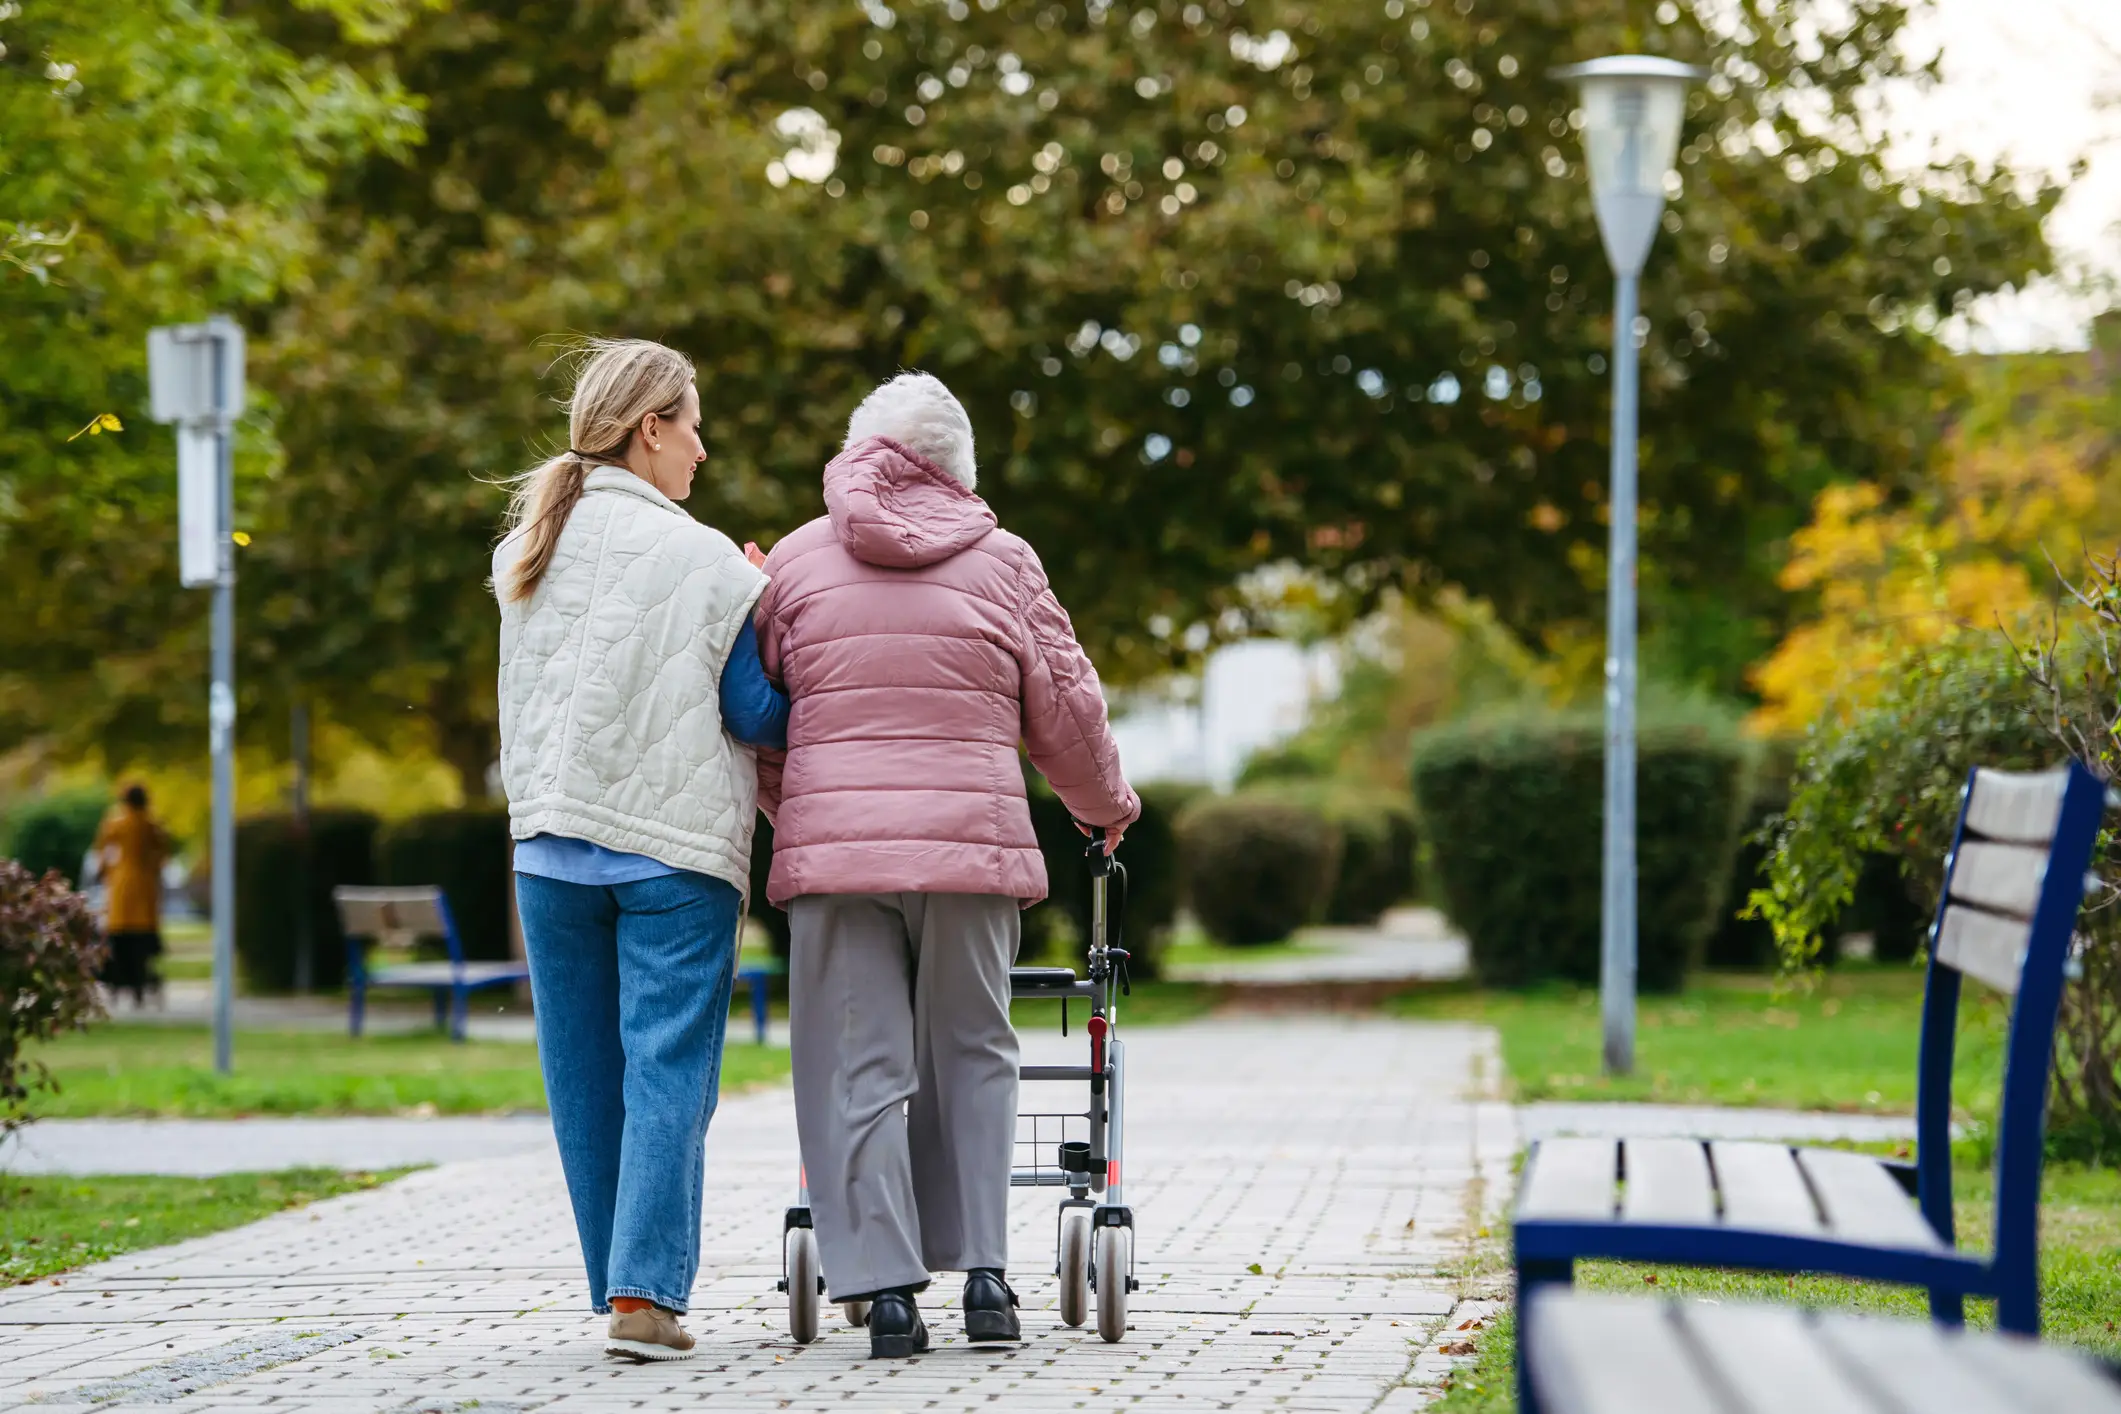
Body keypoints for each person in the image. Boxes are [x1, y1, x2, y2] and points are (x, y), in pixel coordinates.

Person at [753, 372, 1139, 1358]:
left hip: (838, 863)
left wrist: (803, 814)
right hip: (971, 849)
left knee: (859, 1063)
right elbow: (1066, 705)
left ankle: (885, 1294)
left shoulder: (793, 564)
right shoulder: (1006, 561)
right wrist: (1103, 811)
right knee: (975, 1048)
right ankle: (988, 1282)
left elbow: (758, 726)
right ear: (959, 469)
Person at [492, 337, 788, 1363]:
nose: (703, 450)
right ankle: (643, 1298)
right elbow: (758, 712)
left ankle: (619, 1289)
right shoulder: (706, 560)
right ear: (650, 427)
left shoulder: (527, 546)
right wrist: (764, 606)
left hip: (548, 850)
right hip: (671, 854)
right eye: (694, 425)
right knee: (667, 1070)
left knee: (584, 1078)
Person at [94, 783, 169, 1008]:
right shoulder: (151, 825)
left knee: (119, 942)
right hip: (145, 890)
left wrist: (106, 872)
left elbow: (102, 852)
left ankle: (118, 985)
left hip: (120, 889)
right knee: (142, 945)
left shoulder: (115, 823)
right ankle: (140, 988)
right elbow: (162, 854)